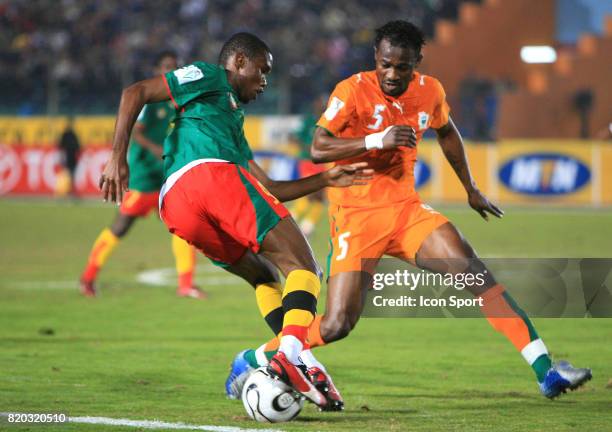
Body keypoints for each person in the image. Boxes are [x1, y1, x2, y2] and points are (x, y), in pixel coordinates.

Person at [229, 21, 591, 401]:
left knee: (476, 276)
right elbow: (319, 147)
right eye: (385, 64)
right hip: (357, 219)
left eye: (402, 66)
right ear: (376, 58)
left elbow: (448, 132)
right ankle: (251, 358)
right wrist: (376, 139)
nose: (391, 74)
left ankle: (545, 371)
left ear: (416, 62)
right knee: (336, 325)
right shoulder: (352, 90)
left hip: (407, 212)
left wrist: (470, 188)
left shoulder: (430, 91)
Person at [98, 32, 372, 410]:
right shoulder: (210, 76)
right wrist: (117, 157)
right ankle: (289, 355)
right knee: (304, 268)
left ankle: (301, 357)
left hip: (178, 207)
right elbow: (135, 92)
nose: (264, 82)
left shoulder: (230, 124)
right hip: (207, 178)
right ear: (239, 62)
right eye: (262, 72)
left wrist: (324, 179)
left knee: (264, 275)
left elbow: (270, 186)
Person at [80, 51, 205, 299]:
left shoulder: (178, 100)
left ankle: (186, 284)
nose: (170, 71)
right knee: (120, 227)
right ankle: (88, 278)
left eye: (174, 67)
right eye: (166, 66)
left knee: (183, 228)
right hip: (143, 178)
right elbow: (134, 131)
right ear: (157, 68)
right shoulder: (149, 98)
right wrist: (154, 148)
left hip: (166, 178)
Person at [290, 94, 328, 237]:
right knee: (310, 194)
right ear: (315, 105)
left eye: (324, 104)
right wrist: (308, 148)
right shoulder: (309, 121)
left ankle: (307, 227)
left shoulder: (330, 122)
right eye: (320, 103)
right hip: (307, 162)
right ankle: (291, 220)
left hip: (322, 163)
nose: (322, 106)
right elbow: (295, 137)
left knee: (320, 197)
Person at [57, 116, 80, 196]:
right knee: (69, 175)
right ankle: (67, 191)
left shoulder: (69, 134)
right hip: (69, 158)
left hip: (71, 159)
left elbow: (60, 146)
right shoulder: (69, 134)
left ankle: (69, 191)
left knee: (70, 175)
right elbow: (78, 147)